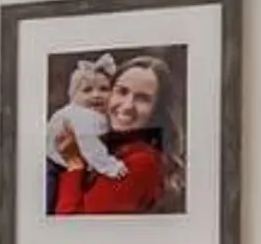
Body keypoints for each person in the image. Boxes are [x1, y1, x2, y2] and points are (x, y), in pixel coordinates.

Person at [54, 52, 175, 215]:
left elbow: (73, 229)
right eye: (122, 92)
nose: (127, 106)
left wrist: (74, 164)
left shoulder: (141, 162)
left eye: (143, 99)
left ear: (157, 110)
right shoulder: (107, 143)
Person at [42, 51, 128, 190]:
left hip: (71, 162)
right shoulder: (82, 115)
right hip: (53, 166)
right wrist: (110, 166)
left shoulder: (100, 115)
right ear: (74, 96)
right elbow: (89, 143)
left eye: (104, 89)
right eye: (87, 90)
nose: (96, 95)